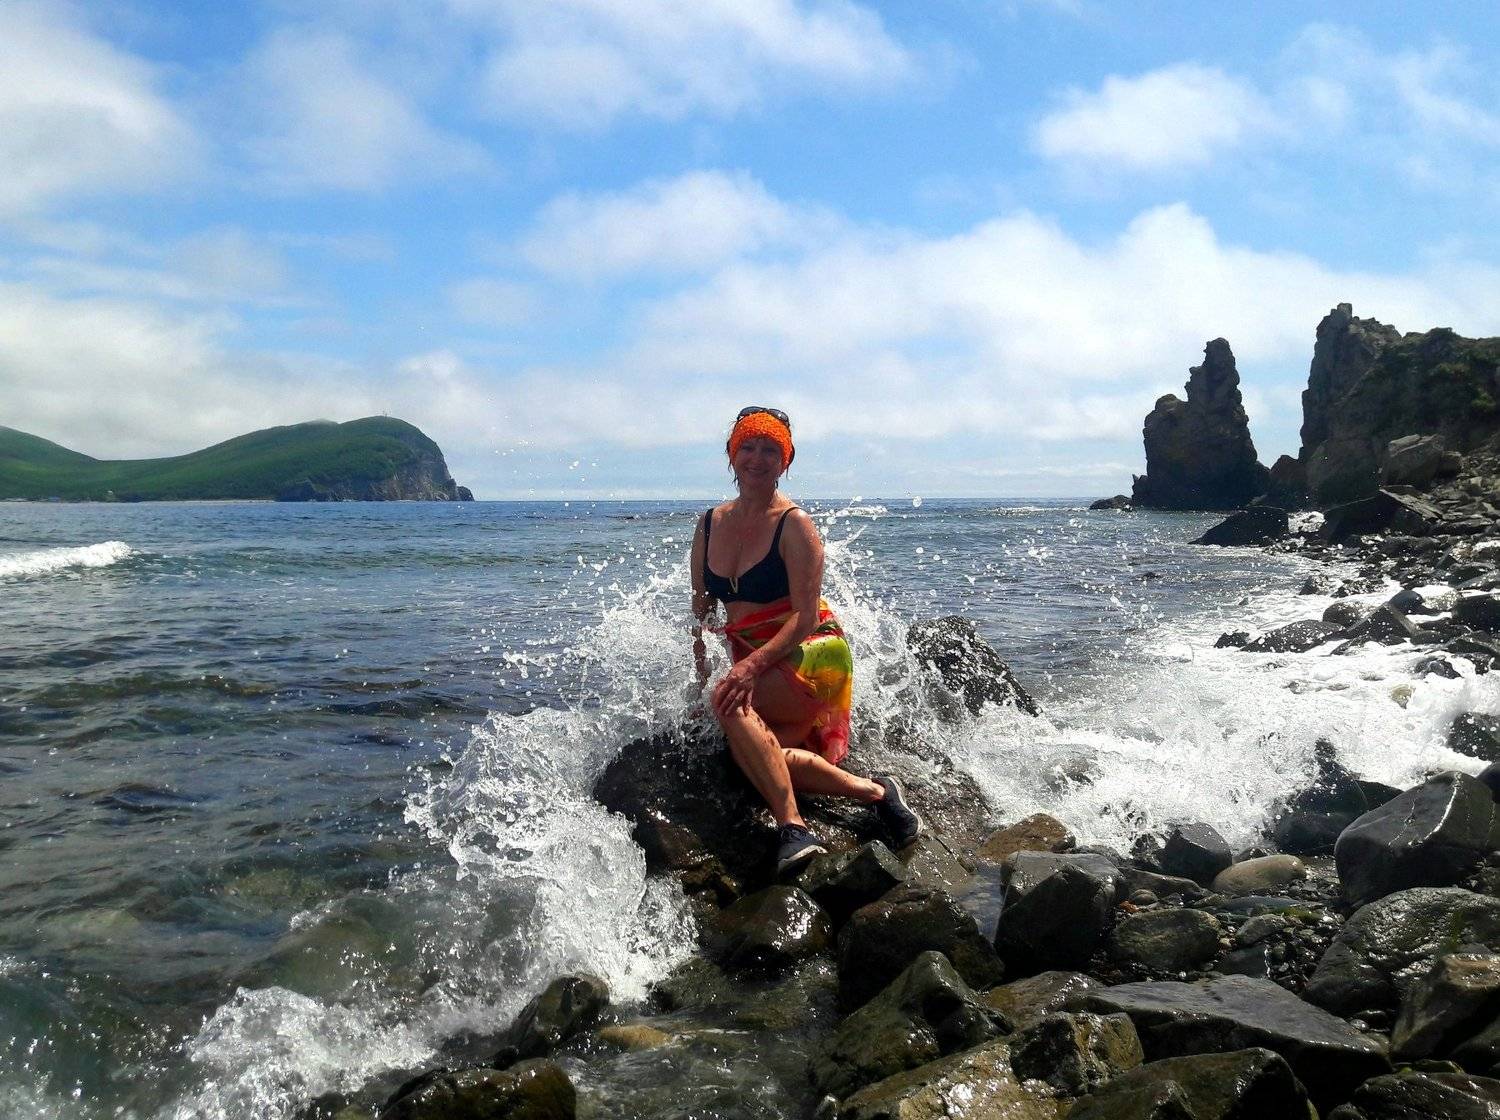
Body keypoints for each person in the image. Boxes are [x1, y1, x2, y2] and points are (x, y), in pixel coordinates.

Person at [691, 406, 923, 877]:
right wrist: (700, 681)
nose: (757, 458)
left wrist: (747, 669)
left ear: (786, 460)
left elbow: (806, 615)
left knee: (731, 706)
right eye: (748, 446)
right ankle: (877, 792)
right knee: (752, 756)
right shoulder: (709, 523)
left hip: (811, 651)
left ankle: (793, 827)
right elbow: (702, 614)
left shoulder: (794, 524)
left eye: (770, 449)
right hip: (756, 657)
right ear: (732, 454)